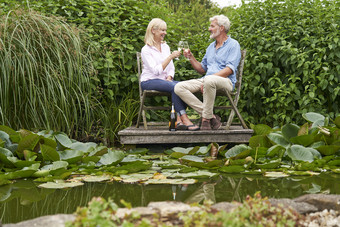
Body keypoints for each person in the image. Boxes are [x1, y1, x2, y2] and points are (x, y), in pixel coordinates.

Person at [174, 15, 241, 130]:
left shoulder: (233, 45)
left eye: (212, 26)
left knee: (209, 80)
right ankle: (211, 116)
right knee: (178, 87)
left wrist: (207, 80)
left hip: (226, 81)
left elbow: (229, 70)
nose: (209, 29)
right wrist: (191, 57)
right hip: (207, 80)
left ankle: (205, 120)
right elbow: (202, 69)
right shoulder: (210, 47)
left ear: (221, 28)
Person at [140, 18, 199, 131]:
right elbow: (156, 71)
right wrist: (171, 56)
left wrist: (170, 76)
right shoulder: (146, 50)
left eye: (165, 30)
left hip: (165, 81)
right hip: (149, 81)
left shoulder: (165, 47)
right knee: (175, 87)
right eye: (162, 30)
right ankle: (184, 118)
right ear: (153, 30)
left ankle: (177, 120)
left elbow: (171, 67)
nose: (165, 33)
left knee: (184, 86)